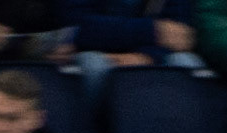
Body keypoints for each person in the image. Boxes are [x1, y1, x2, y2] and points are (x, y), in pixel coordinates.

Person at [61, 1, 206, 99]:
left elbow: (181, 33)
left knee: (186, 63)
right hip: (95, 53)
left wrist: (146, 57)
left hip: (151, 55)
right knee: (93, 64)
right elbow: (77, 27)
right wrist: (153, 30)